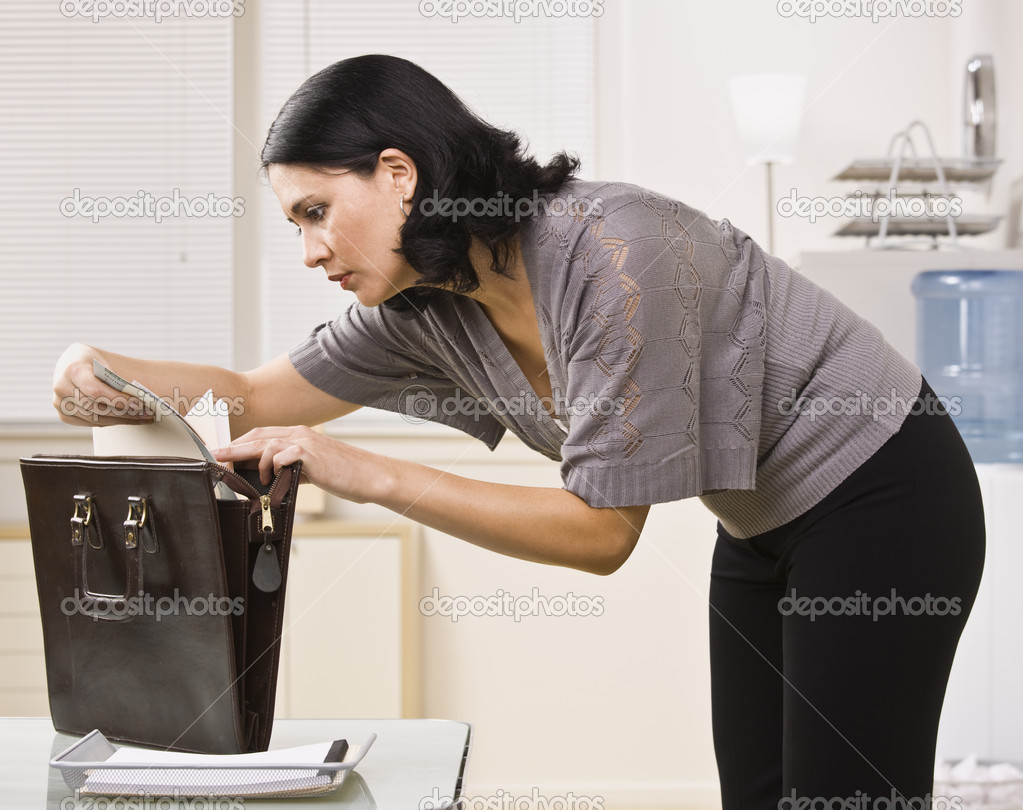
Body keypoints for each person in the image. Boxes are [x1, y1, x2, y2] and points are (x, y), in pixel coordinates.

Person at [53, 54, 985, 807]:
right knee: (757, 794)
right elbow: (251, 395)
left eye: (314, 212)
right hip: (759, 525)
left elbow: (600, 534)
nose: (307, 250)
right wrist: (106, 374)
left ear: (396, 173)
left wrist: (359, 470)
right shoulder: (422, 307)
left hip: (884, 492)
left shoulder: (617, 252)